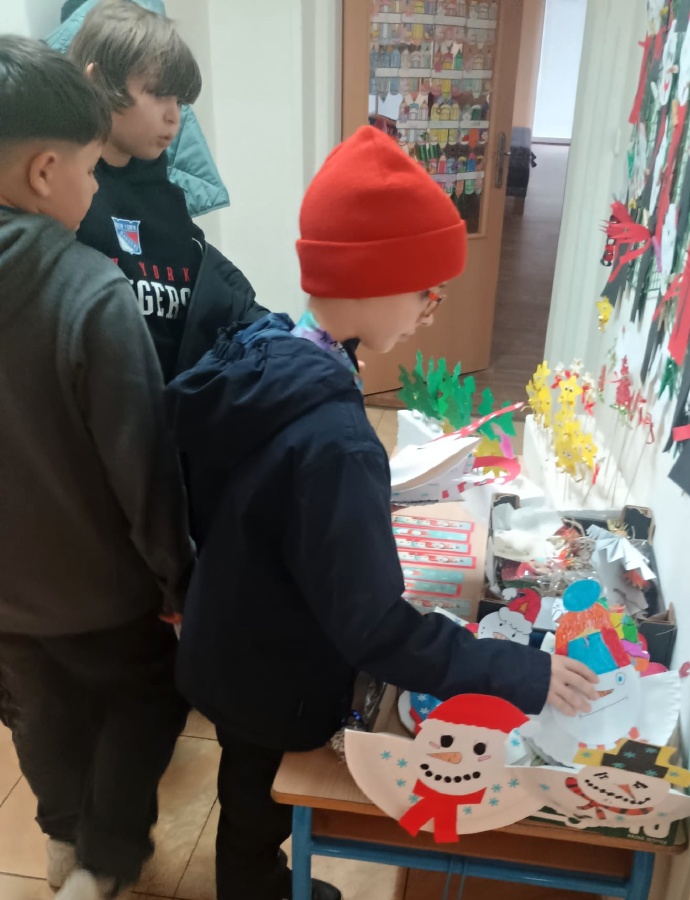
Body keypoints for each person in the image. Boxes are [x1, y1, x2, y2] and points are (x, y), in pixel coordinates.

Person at [166, 127, 600, 900]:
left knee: (245, 791)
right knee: (259, 802)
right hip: (277, 673)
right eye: (429, 292)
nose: (430, 314)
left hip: (229, 638)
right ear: (375, 281)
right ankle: (255, 887)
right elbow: (373, 628)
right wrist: (518, 671)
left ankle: (253, 876)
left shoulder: (267, 350)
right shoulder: (337, 442)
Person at [0, 36, 195, 900]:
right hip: (102, 593)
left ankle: (58, 836)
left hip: (6, 603)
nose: (92, 190)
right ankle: (105, 860)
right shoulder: (91, 292)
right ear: (45, 172)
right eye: (87, 172)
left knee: (37, 712)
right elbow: (141, 466)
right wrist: (178, 578)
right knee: (145, 698)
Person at [69, 0, 268, 382]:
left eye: (178, 100)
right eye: (158, 93)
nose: (174, 115)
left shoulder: (169, 202)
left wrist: (300, 349)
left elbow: (225, 300)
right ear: (97, 83)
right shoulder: (66, 203)